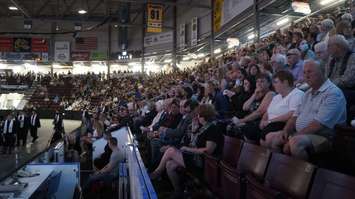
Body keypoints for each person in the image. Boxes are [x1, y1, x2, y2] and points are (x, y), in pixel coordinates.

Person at [264, 60, 346, 160]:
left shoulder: (333, 93)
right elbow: (295, 116)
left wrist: (293, 137)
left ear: (322, 72)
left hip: (324, 137)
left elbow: (317, 125)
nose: (306, 76)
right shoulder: (307, 93)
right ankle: (281, 170)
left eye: (310, 72)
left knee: (295, 142)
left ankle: (305, 174)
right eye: (304, 72)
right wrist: (286, 131)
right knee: (270, 137)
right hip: (302, 133)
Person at [150, 104, 223, 198]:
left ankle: (157, 172)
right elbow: (192, 143)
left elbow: (208, 150)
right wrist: (193, 130)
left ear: (204, 116)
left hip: (203, 163)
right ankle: (178, 191)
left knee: (171, 151)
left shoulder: (213, 129)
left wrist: (187, 149)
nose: (197, 117)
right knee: (169, 165)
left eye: (198, 115)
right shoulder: (202, 127)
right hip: (194, 158)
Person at [260, 71, 304, 146]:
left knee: (265, 137)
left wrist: (269, 121)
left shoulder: (297, 94)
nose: (273, 85)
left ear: (286, 82)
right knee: (250, 130)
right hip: (270, 124)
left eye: (276, 82)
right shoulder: (277, 96)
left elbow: (291, 114)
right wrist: (263, 120)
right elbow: (267, 112)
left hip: (282, 124)